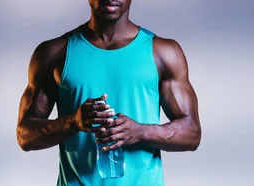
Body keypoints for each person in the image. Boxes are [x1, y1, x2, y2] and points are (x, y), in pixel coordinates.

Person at [15, 0, 202, 185]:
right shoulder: (54, 53)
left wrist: (140, 132)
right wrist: (72, 122)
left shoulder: (163, 53)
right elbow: (25, 136)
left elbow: (192, 134)